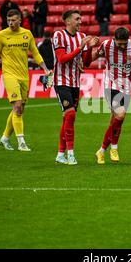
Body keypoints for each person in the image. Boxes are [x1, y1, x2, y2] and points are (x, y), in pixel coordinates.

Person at [0, 9, 52, 152]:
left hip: (24, 75)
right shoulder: (1, 35)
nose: (10, 23)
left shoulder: (27, 34)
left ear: (20, 20)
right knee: (17, 106)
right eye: (8, 20)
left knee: (20, 109)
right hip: (9, 75)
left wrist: (45, 68)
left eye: (13, 20)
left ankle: (5, 138)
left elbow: (35, 52)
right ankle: (21, 142)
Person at [85, 27, 131, 164]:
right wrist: (89, 48)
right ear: (114, 40)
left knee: (116, 120)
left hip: (127, 86)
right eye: (120, 44)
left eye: (125, 43)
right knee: (120, 115)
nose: (123, 46)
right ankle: (114, 148)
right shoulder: (106, 45)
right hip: (111, 84)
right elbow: (88, 61)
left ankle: (101, 151)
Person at [51, 9, 99, 165]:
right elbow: (62, 59)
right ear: (68, 21)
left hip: (75, 83)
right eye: (77, 19)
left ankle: (60, 154)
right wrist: (80, 48)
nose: (80, 21)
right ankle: (70, 154)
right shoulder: (59, 35)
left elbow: (85, 63)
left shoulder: (82, 37)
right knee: (70, 115)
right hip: (61, 81)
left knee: (68, 118)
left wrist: (90, 47)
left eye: (81, 18)